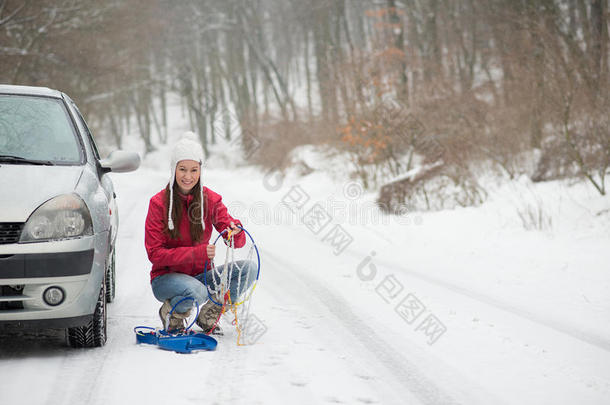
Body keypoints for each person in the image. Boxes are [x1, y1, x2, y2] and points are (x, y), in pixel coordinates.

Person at [144, 132, 257, 333]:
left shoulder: (210, 200)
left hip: (200, 276)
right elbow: (155, 255)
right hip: (166, 279)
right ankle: (172, 314)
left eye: (194, 170)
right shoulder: (158, 203)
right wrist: (197, 253)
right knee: (197, 291)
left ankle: (209, 315)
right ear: (174, 169)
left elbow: (235, 241)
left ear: (200, 171)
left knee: (249, 269)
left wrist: (235, 231)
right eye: (183, 169)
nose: (188, 176)